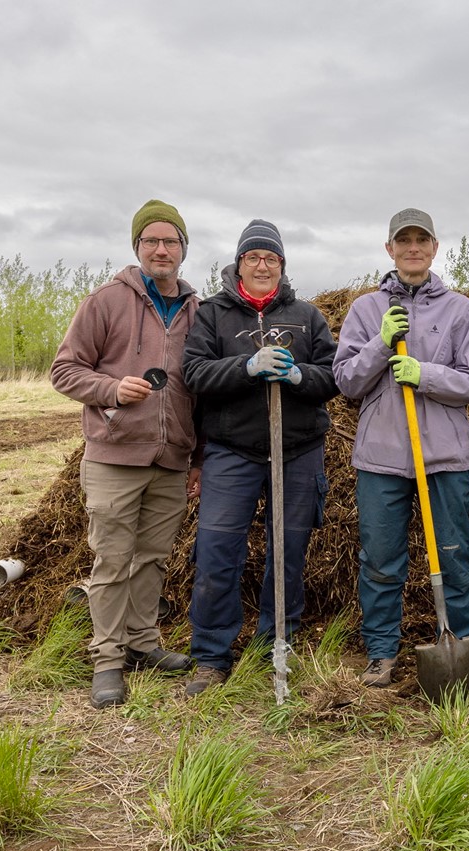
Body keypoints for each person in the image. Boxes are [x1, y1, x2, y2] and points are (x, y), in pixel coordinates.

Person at [51, 199, 201, 709]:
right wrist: (113, 390)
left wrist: (196, 456)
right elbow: (65, 370)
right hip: (114, 454)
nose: (162, 249)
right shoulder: (106, 301)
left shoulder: (196, 310)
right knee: (112, 560)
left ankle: (143, 643)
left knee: (152, 559)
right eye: (152, 241)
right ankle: (108, 660)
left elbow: (198, 390)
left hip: (171, 457)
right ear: (137, 247)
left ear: (183, 249)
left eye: (171, 241)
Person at [181, 219, 339, 697]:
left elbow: (334, 377)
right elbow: (193, 372)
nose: (263, 264)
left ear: (282, 265)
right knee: (216, 553)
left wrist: (299, 378)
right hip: (233, 451)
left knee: (287, 553)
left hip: (298, 451)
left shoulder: (307, 317)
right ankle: (210, 655)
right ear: (240, 264)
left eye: (271, 258)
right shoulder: (213, 315)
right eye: (254, 257)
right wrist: (246, 367)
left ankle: (278, 643)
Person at [333, 209, 469, 687]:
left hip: (445, 457)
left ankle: (468, 652)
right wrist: (381, 345)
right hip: (381, 458)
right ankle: (381, 653)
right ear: (389, 250)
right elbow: (346, 382)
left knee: (454, 556)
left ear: (435, 247)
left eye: (422, 240)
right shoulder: (365, 309)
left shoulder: (460, 310)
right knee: (380, 561)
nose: (413, 248)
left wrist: (424, 374)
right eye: (404, 241)